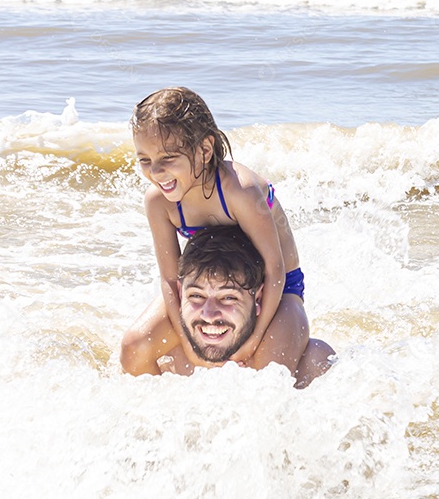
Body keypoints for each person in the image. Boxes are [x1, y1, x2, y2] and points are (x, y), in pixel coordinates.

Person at [120, 87, 310, 380]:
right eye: (144, 160)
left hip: (277, 287)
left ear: (205, 150)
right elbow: (171, 281)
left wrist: (254, 339)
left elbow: (275, 268)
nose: (156, 172)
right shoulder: (158, 201)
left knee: (272, 371)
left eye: (168, 158)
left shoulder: (239, 190)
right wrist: (187, 342)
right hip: (210, 290)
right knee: (134, 347)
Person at [157, 226, 334, 389]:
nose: (209, 315)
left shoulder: (314, 367)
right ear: (180, 295)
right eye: (196, 296)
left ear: (258, 298)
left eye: (228, 298)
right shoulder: (164, 363)